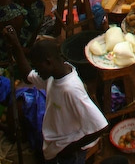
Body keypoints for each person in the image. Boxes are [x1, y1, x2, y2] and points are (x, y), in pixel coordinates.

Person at [3, 35, 108, 163]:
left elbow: (101, 126)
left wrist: (69, 149)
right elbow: (28, 76)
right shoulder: (53, 75)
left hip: (68, 153)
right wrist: (16, 46)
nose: (37, 71)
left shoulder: (71, 89)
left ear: (48, 62)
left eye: (37, 67)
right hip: (54, 145)